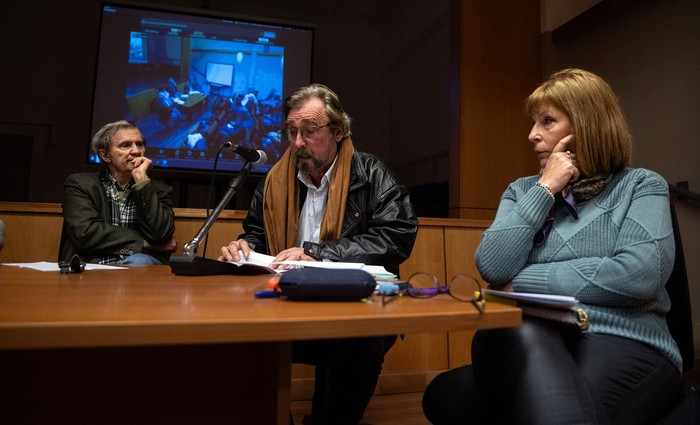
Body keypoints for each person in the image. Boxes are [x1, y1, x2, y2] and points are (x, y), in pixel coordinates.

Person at [422, 69, 682, 425]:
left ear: (587, 126)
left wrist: (522, 283)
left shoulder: (640, 186)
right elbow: (494, 267)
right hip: (524, 332)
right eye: (534, 123)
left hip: (622, 335)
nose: (532, 135)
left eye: (547, 121)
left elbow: (638, 275)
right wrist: (544, 190)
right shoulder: (521, 191)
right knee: (525, 332)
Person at [219, 83, 418, 424]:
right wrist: (244, 247)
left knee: (362, 347)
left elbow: (396, 237)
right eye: (292, 132)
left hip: (350, 303)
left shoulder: (370, 173)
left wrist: (318, 252)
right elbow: (256, 233)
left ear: (338, 131)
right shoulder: (274, 180)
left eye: (309, 132)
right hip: (283, 300)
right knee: (233, 339)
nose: (297, 143)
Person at [61, 120, 177, 265]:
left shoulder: (160, 190)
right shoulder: (80, 184)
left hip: (140, 267)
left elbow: (162, 236)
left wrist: (142, 183)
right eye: (126, 145)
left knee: (139, 260)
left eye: (139, 144)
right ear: (105, 155)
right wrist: (146, 243)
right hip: (93, 263)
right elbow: (85, 233)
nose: (136, 151)